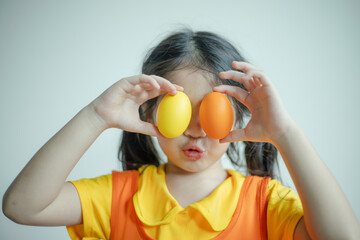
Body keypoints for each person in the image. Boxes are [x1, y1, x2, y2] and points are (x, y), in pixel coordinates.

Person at [3, 29, 359, 240]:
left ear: (238, 116)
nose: (195, 130)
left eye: (211, 111)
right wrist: (96, 116)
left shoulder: (264, 204)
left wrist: (285, 132)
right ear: (148, 111)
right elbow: (21, 207)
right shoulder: (116, 198)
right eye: (182, 110)